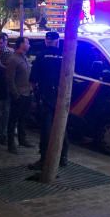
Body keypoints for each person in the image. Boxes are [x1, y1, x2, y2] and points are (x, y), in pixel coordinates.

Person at [29, 31, 67, 170]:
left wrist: (37, 95)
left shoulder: (41, 56)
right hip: (60, 95)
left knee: (46, 128)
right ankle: (63, 157)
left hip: (45, 96)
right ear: (57, 42)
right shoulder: (64, 55)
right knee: (61, 126)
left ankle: (44, 158)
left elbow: (33, 79)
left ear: (46, 41)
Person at [5, 36, 34, 153]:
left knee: (23, 118)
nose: (29, 45)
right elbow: (9, 79)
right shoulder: (13, 59)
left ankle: (22, 139)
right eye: (27, 43)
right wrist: (16, 94)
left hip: (27, 93)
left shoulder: (24, 58)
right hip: (18, 94)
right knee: (13, 119)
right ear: (21, 44)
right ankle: (11, 144)